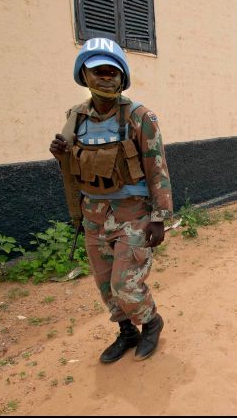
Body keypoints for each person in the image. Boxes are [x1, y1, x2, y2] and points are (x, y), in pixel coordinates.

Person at [49, 38, 173, 363]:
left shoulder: (141, 118)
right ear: (84, 76)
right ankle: (126, 332)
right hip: (93, 216)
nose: (106, 78)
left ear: (122, 77)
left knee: (125, 283)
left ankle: (151, 323)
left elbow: (157, 168)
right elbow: (74, 168)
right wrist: (59, 154)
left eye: (112, 72)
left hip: (134, 216)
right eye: (98, 71)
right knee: (106, 286)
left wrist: (159, 218)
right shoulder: (75, 118)